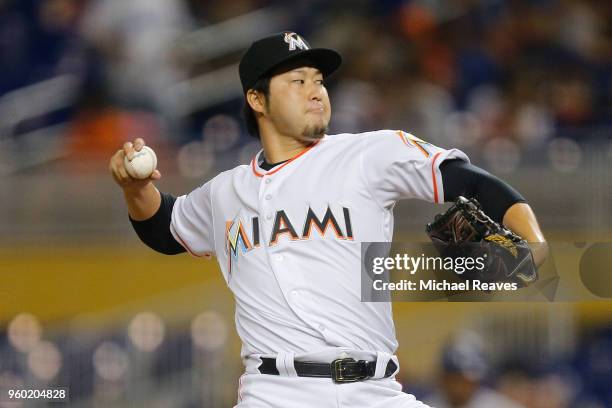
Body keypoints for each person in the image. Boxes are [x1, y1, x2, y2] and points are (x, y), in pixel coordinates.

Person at [109, 32, 547, 408]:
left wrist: (532, 239)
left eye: (318, 80)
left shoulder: (368, 154)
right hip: (274, 392)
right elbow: (165, 227)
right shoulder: (226, 191)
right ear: (256, 98)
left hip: (373, 390)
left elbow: (470, 183)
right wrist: (135, 188)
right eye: (297, 81)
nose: (316, 91)